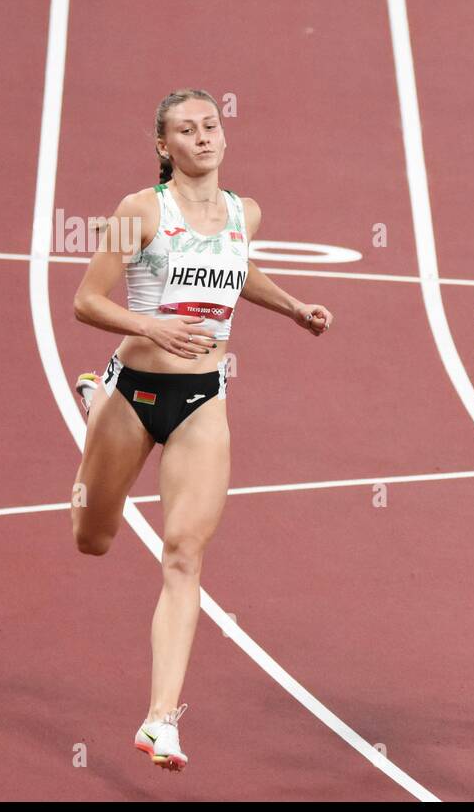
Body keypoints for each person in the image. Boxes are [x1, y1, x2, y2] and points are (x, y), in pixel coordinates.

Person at [70, 88, 333, 771]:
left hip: (202, 401)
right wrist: (149, 323)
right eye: (186, 130)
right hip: (135, 392)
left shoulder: (245, 213)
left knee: (184, 554)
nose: (203, 137)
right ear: (164, 147)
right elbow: (87, 300)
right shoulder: (140, 211)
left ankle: (161, 718)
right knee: (92, 539)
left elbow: (238, 270)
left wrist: (294, 308)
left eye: (211, 124)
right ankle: (94, 401)